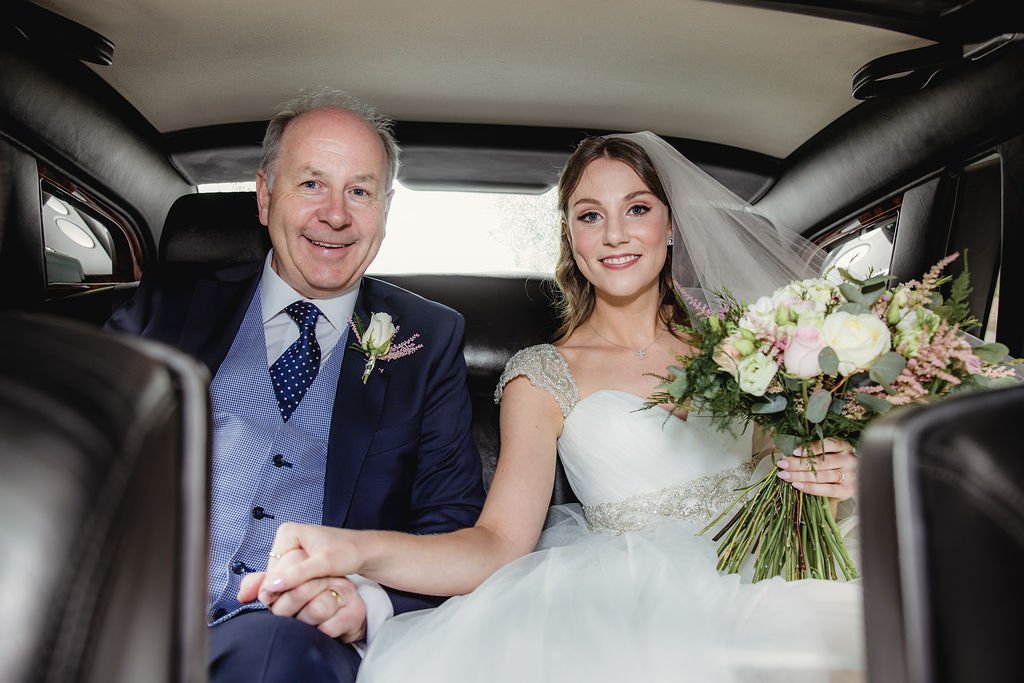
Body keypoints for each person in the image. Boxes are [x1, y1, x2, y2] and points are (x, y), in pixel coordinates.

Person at [240, 132, 863, 681]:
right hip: (636, 599)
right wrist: (355, 551)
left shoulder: (745, 339)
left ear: (670, 225)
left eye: (637, 209)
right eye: (590, 216)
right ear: (570, 235)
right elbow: (497, 545)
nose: (615, 234)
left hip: (788, 568)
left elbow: (787, 469)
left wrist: (832, 471)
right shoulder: (541, 377)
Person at [106, 88, 486, 682]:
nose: (336, 214)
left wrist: (371, 606)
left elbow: (454, 525)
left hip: (286, 640)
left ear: (384, 212)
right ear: (264, 196)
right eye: (311, 184)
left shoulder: (429, 339)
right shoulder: (160, 311)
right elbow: (80, 464)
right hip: (123, 608)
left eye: (359, 191)